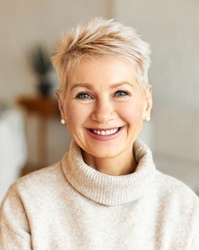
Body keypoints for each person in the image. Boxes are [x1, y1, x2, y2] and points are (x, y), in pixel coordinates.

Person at [0, 17, 199, 249]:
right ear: (63, 106)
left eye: (121, 93)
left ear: (147, 102)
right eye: (84, 95)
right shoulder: (25, 203)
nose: (103, 114)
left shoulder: (185, 209)